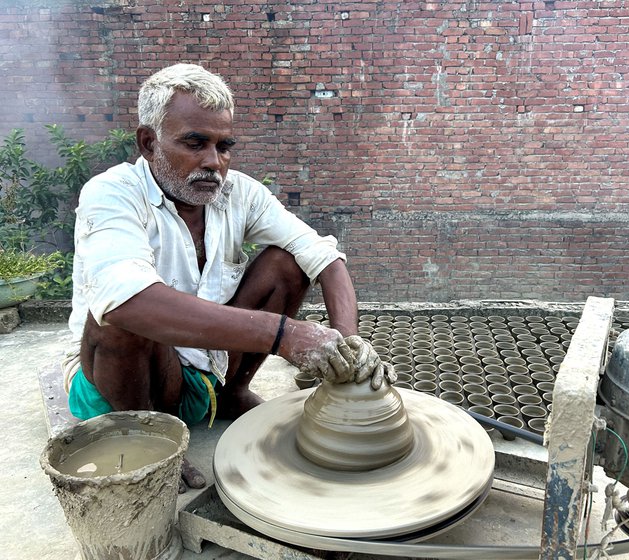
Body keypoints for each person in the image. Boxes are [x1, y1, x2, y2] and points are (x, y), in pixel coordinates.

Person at [61, 63, 395, 490]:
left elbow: (322, 255)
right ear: (148, 142)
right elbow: (126, 298)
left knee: (285, 263)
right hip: (124, 382)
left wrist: (346, 342)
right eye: (195, 143)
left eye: (224, 146)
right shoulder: (111, 193)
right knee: (122, 312)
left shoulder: (239, 193)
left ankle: (233, 392)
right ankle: (146, 437)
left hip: (205, 366)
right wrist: (285, 335)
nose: (213, 163)